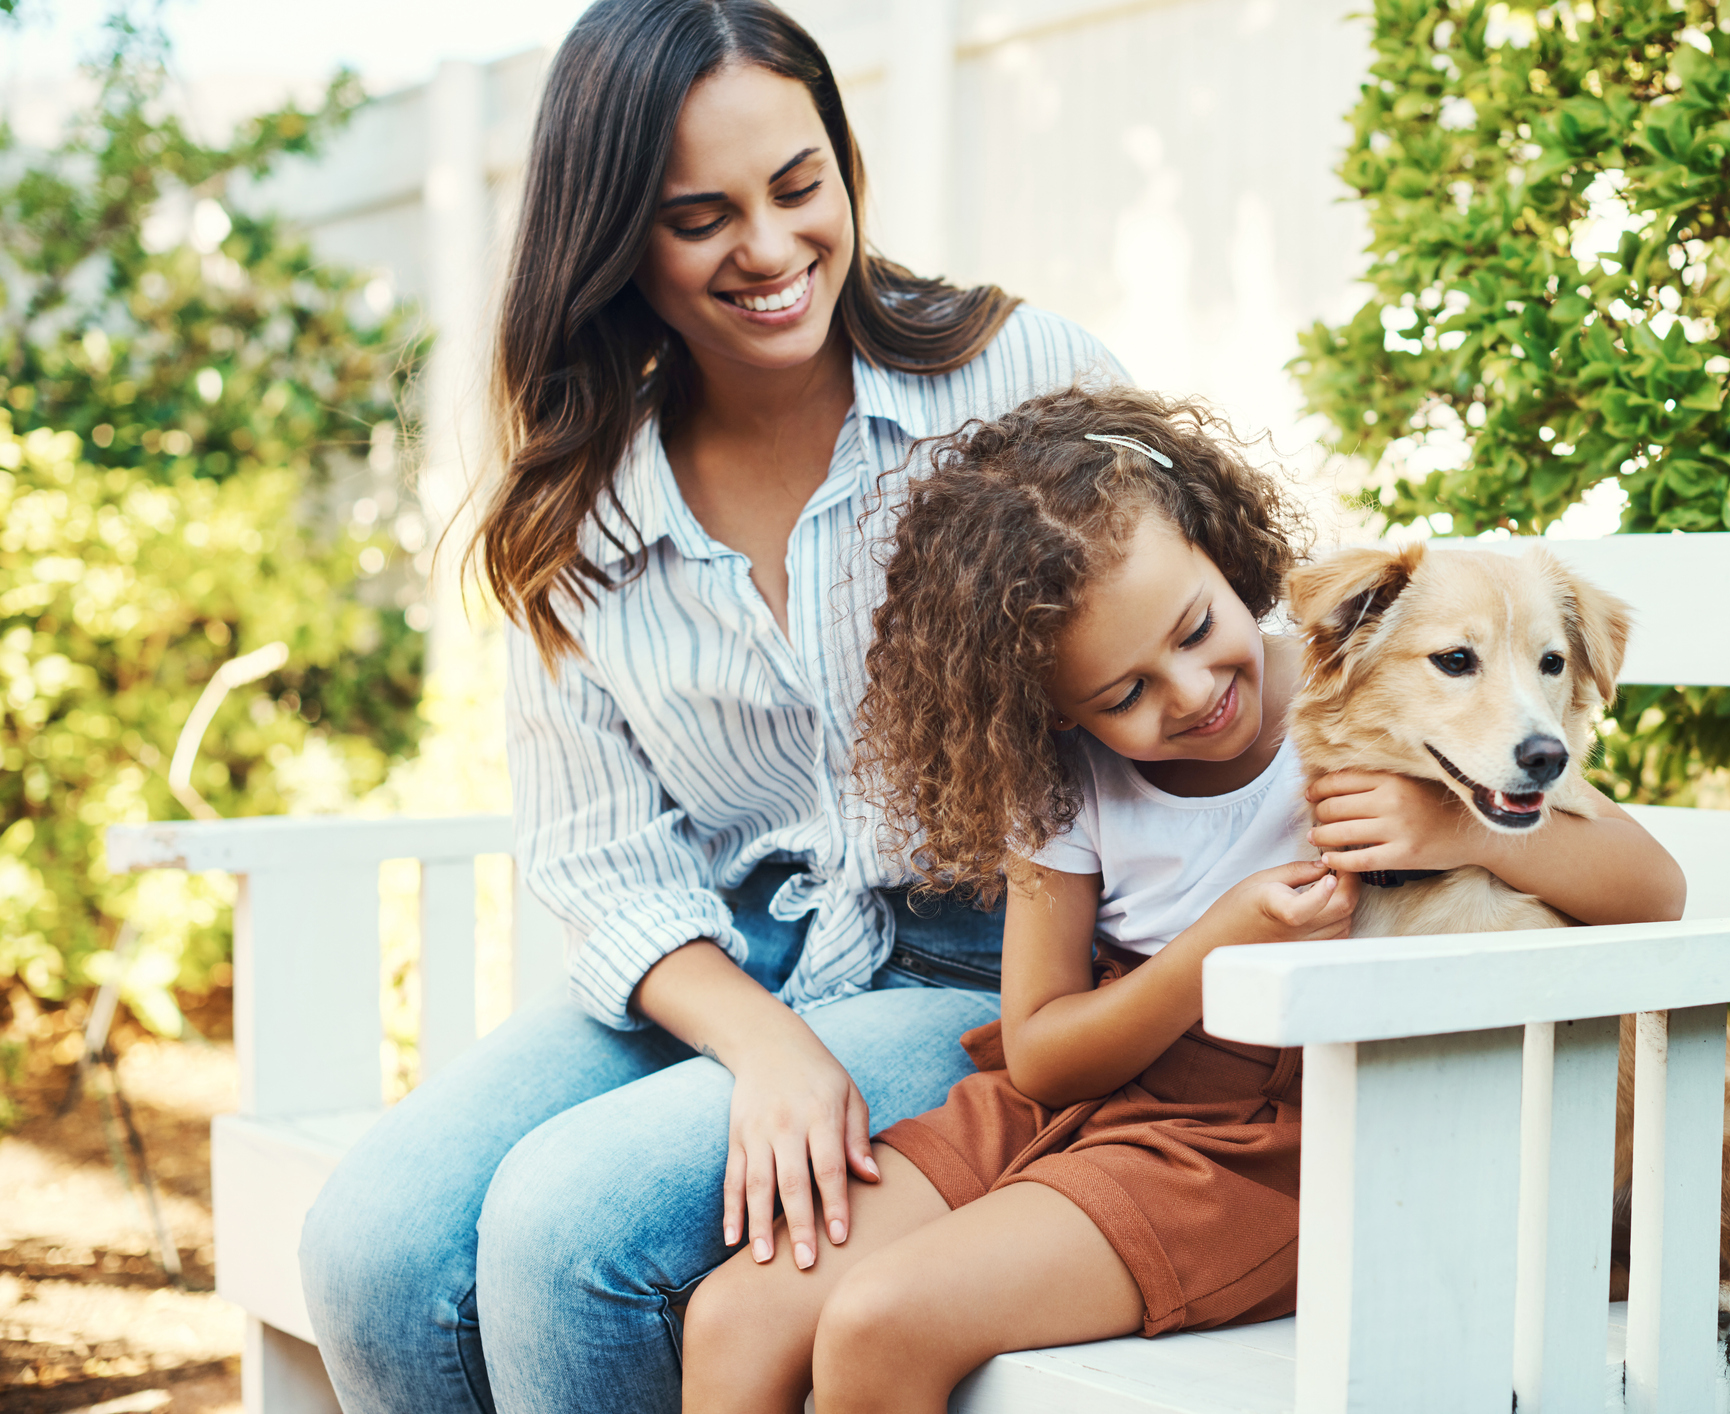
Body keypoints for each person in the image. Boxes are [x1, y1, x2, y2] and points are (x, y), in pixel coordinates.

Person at [295, 3, 1120, 1410]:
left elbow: (1205, 643)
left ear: (844, 166)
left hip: (981, 968)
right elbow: (599, 857)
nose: (772, 247)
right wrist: (764, 1040)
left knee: (573, 1233)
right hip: (733, 962)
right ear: (614, 238)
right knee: (372, 1240)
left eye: (800, 187)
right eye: (700, 218)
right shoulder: (581, 498)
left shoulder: (1016, 377)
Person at [676, 386, 1687, 1414]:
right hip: (1080, 1092)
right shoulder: (1065, 782)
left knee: (879, 1320)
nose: (1193, 692)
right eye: (1123, 694)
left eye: (1197, 628)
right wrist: (1220, 941)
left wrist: (1448, 828)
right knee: (734, 1318)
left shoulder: (1391, 697)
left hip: (1260, 1137)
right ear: (1048, 709)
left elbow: (1652, 888)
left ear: (1218, 548)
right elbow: (1043, 1052)